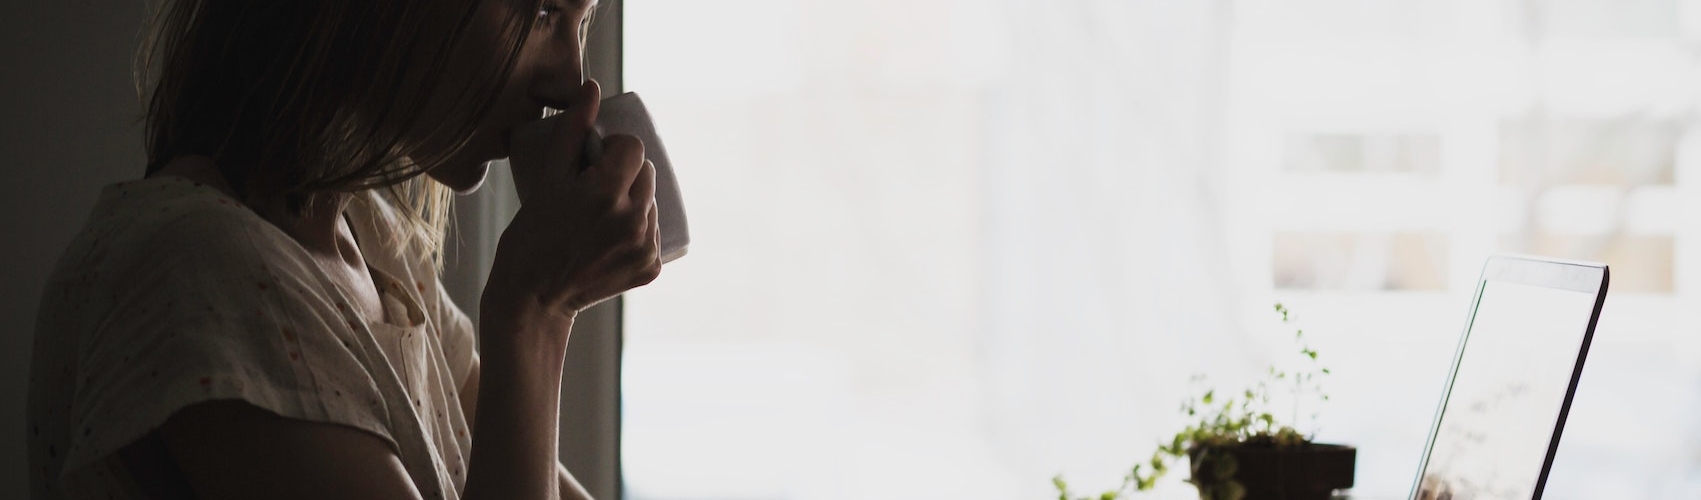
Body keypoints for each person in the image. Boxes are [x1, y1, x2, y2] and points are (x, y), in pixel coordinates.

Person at [25, 0, 662, 498]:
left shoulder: (376, 242)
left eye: (581, 21)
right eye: (543, 11)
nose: (568, 82)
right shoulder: (198, 270)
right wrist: (536, 310)